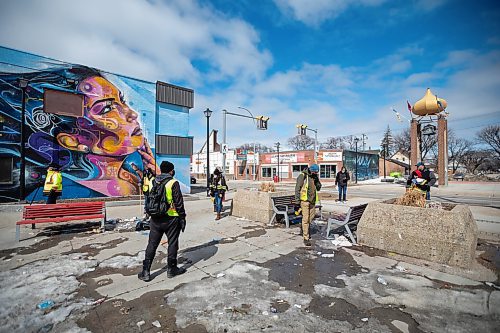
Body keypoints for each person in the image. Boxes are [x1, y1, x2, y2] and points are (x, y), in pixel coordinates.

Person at [138, 161, 186, 282]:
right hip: (171, 218)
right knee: (172, 243)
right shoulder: (173, 182)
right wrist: (182, 217)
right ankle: (172, 269)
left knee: (152, 244)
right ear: (171, 171)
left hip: (155, 218)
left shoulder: (153, 180)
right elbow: (178, 202)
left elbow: (147, 195)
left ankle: (146, 271)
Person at [294, 164, 321, 247]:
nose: (315, 173)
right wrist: (297, 203)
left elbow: (319, 188)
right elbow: (297, 189)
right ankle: (306, 237)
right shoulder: (302, 176)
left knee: (311, 218)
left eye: (316, 172)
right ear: (311, 170)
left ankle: (304, 229)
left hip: (312, 201)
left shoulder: (314, 176)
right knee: (305, 219)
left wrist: (317, 182)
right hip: (304, 201)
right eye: (314, 172)